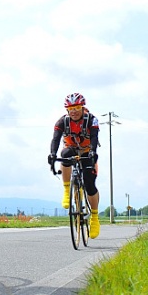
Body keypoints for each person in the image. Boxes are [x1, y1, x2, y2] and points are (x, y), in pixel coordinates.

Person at [48, 93, 101, 238]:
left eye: (77, 107)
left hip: (86, 151)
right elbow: (55, 139)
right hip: (71, 148)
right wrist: (52, 154)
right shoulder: (62, 122)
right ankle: (67, 190)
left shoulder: (91, 120)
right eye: (71, 108)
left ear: (83, 108)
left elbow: (95, 137)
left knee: (90, 184)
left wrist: (93, 152)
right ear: (67, 110)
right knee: (64, 154)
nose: (74, 111)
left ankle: (95, 218)